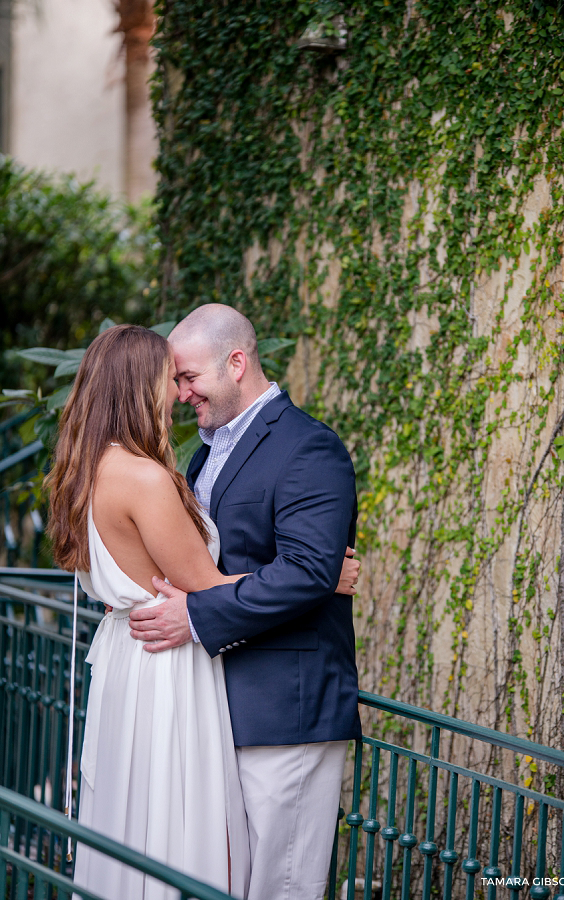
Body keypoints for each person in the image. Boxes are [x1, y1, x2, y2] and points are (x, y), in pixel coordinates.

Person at [46, 323, 358, 900]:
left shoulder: (305, 446)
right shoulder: (156, 472)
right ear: (137, 386)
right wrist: (322, 576)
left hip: (268, 703)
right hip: (171, 674)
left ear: (235, 363)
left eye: (188, 377)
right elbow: (204, 583)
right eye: (173, 379)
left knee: (261, 873)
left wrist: (310, 573)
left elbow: (216, 584)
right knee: (183, 848)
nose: (181, 392)